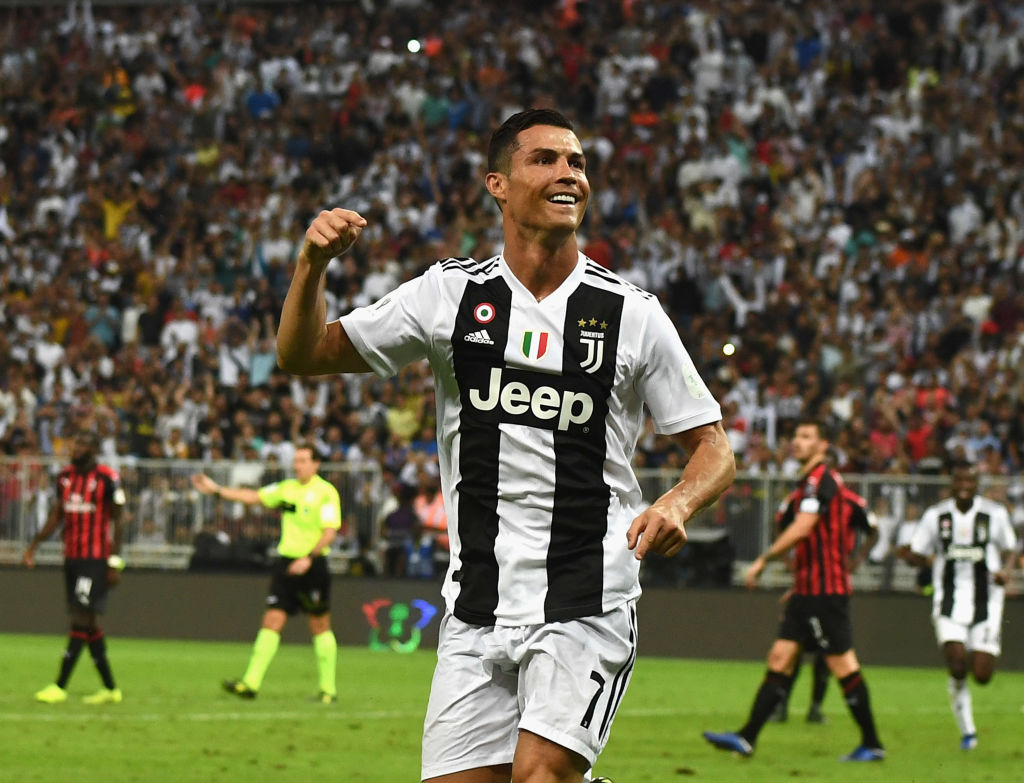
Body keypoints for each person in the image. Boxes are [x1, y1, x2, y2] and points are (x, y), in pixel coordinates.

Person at [276, 108, 736, 783]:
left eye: (576, 162)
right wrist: (311, 265)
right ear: (498, 183)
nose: (567, 174)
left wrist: (677, 502)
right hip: (477, 603)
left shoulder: (630, 312)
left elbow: (714, 446)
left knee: (540, 777)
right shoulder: (449, 295)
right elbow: (305, 354)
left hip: (586, 592)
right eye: (544, 159)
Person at [703, 419, 885, 762]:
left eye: (806, 437)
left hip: (825, 593)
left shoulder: (823, 481)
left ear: (823, 446)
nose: (798, 443)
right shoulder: (805, 487)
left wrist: (764, 559)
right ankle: (746, 737)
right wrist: (797, 583)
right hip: (806, 591)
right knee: (780, 658)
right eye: (796, 437)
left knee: (843, 664)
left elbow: (804, 529)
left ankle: (872, 743)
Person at [191, 443, 342, 703]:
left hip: (312, 565)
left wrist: (309, 558)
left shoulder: (325, 493)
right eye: (296, 460)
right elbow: (253, 497)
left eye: (303, 460)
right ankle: (250, 683)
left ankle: (328, 691)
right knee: (272, 620)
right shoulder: (287, 489)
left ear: (316, 464)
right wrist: (217, 490)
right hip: (286, 564)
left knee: (319, 625)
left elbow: (329, 531)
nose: (297, 465)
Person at [897, 461, 1017, 751]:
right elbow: (919, 551)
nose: (964, 486)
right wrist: (909, 556)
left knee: (983, 675)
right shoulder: (936, 516)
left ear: (977, 484)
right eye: (959, 480)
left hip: (986, 600)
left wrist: (1006, 572)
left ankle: (976, 671)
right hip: (948, 598)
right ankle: (968, 732)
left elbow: (1010, 548)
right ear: (952, 483)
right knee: (957, 661)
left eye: (970, 481)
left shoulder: (994, 513)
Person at [22, 431, 127, 704]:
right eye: (74, 442)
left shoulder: (107, 478)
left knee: (80, 618)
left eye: (82, 443)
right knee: (89, 624)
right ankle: (110, 689)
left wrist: (115, 562)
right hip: (72, 557)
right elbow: (57, 514)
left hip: (95, 559)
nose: (76, 447)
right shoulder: (65, 477)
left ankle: (59, 686)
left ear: (93, 448)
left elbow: (119, 521)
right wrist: (34, 545)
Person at [768, 470, 878, 725]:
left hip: (831, 587)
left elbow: (874, 530)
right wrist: (787, 560)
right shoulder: (798, 500)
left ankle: (815, 707)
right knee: (791, 649)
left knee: (827, 654)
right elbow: (778, 524)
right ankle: (780, 705)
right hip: (804, 583)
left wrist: (858, 559)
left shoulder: (852, 503)